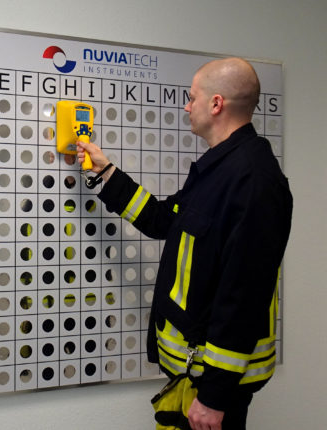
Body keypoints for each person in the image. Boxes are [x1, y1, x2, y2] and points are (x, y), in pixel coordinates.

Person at [77, 57, 292, 430]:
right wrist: (106, 171)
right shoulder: (219, 169)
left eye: (192, 97)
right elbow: (163, 220)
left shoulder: (255, 181)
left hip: (214, 388)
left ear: (216, 104)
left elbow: (244, 296)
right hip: (194, 377)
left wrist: (214, 397)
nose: (186, 106)